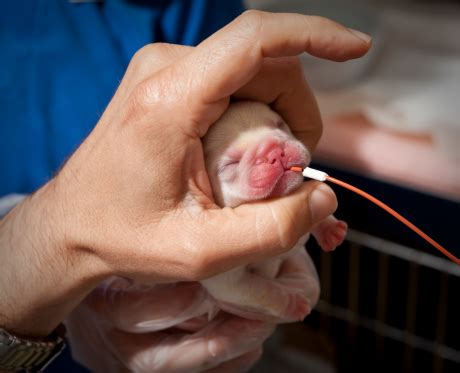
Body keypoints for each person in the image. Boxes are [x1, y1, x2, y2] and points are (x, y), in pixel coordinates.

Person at [0, 1, 371, 371]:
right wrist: (42, 260)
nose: (274, 153)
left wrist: (320, 223)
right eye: (231, 163)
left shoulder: (193, 10)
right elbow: (232, 284)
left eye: (278, 128)